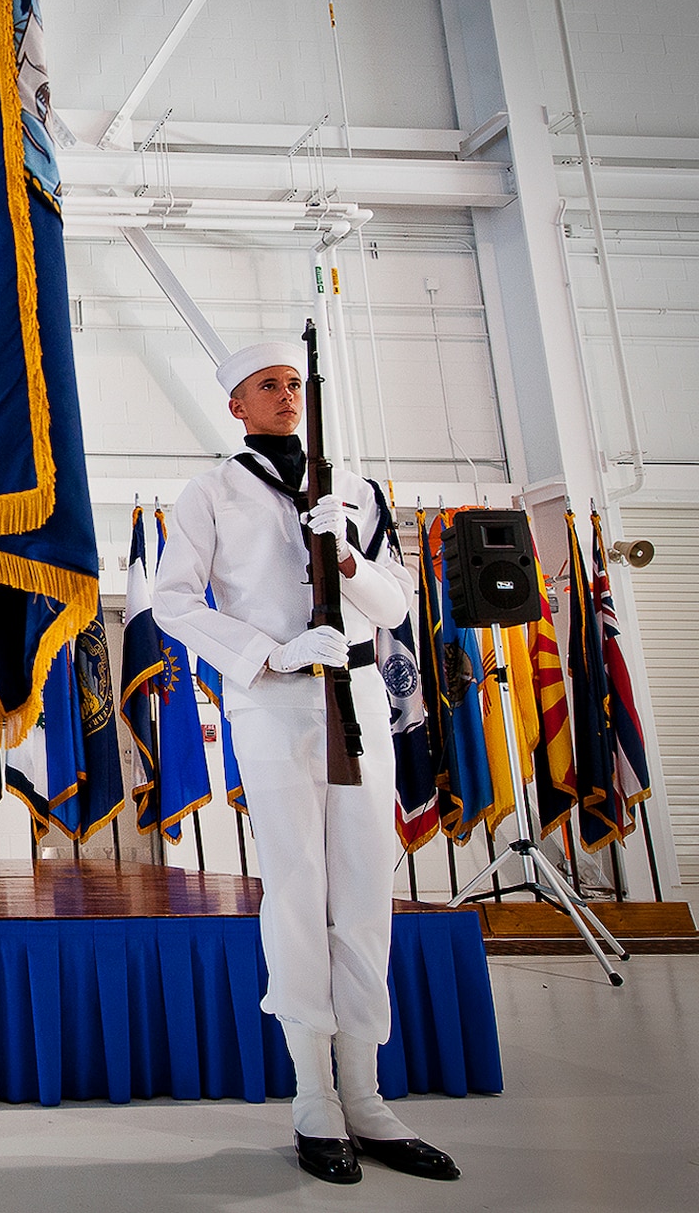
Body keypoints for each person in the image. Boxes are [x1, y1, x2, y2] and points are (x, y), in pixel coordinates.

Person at [155, 340, 459, 1186]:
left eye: (294, 384)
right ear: (236, 406)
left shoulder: (354, 489)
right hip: (277, 697)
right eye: (269, 386)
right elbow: (173, 601)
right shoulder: (212, 490)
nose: (286, 396)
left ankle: (367, 1096)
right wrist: (270, 653)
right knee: (297, 892)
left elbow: (397, 601)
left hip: (357, 695)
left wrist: (352, 557)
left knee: (363, 889)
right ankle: (314, 1096)